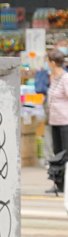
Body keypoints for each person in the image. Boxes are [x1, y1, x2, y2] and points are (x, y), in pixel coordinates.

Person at [44, 50, 67, 191]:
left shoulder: (65, 79)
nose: (46, 63)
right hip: (54, 122)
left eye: (47, 61)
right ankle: (60, 184)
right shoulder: (54, 78)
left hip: (65, 122)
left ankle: (66, 184)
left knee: (65, 154)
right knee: (57, 154)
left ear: (53, 63)